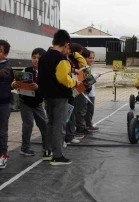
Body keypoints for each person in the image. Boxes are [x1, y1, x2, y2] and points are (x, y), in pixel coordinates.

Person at [38, 29, 82, 166]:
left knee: (50, 123)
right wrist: (75, 82)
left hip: (47, 95)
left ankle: (47, 151)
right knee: (59, 125)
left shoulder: (44, 57)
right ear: (66, 44)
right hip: (60, 96)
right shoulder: (62, 60)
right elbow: (63, 79)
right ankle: (57, 156)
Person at [11, 48, 52, 160]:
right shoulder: (27, 70)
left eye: (39, 58)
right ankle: (25, 148)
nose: (36, 60)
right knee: (28, 125)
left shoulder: (46, 72)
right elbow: (15, 81)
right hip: (25, 102)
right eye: (34, 57)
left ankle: (47, 147)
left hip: (38, 103)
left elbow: (48, 88)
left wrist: (38, 87)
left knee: (44, 124)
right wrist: (14, 84)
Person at [0, 40, 13, 169]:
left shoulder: (7, 66)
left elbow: (3, 74)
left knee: (2, 132)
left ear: (5, 54)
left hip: (3, 103)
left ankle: (3, 156)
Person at [84, 50, 100, 131]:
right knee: (87, 110)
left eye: (93, 58)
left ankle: (88, 123)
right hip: (87, 93)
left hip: (91, 93)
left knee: (90, 110)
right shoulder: (85, 68)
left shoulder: (89, 68)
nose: (92, 60)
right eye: (90, 58)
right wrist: (96, 76)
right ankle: (87, 125)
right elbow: (88, 80)